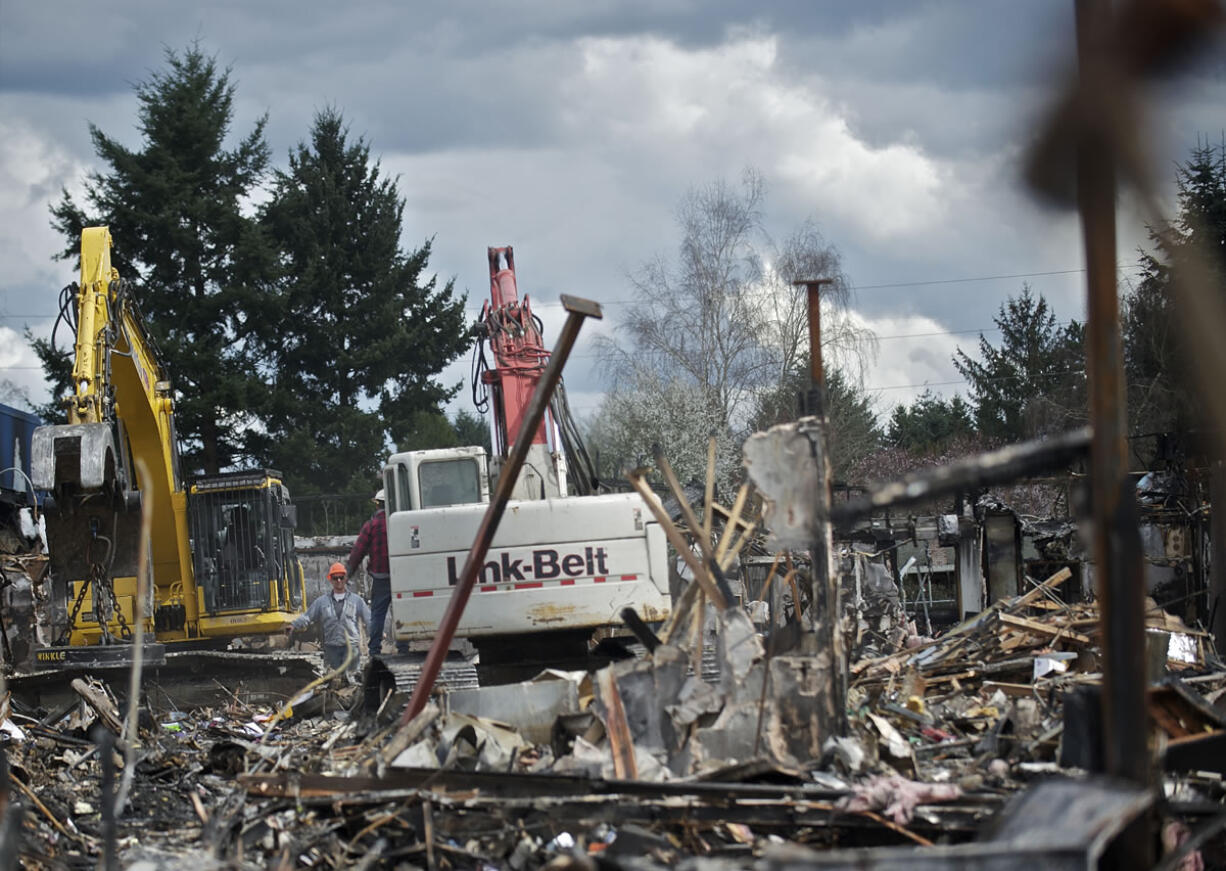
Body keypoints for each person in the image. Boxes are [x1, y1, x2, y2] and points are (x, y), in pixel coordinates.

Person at [347, 489, 407, 656]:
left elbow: (358, 551)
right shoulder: (401, 521)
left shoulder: (371, 525)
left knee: (378, 614)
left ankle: (374, 650)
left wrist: (348, 572)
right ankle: (403, 648)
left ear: (378, 504)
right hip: (401, 576)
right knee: (402, 612)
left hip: (380, 577)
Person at [288, 562, 370, 678]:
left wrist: (379, 632)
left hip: (351, 648)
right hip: (332, 649)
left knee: (353, 681)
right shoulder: (322, 602)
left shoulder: (357, 600)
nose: (339, 581)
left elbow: (369, 618)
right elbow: (308, 616)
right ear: (330, 580)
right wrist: (294, 625)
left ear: (345, 579)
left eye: (341, 577)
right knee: (332, 680)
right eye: (335, 578)